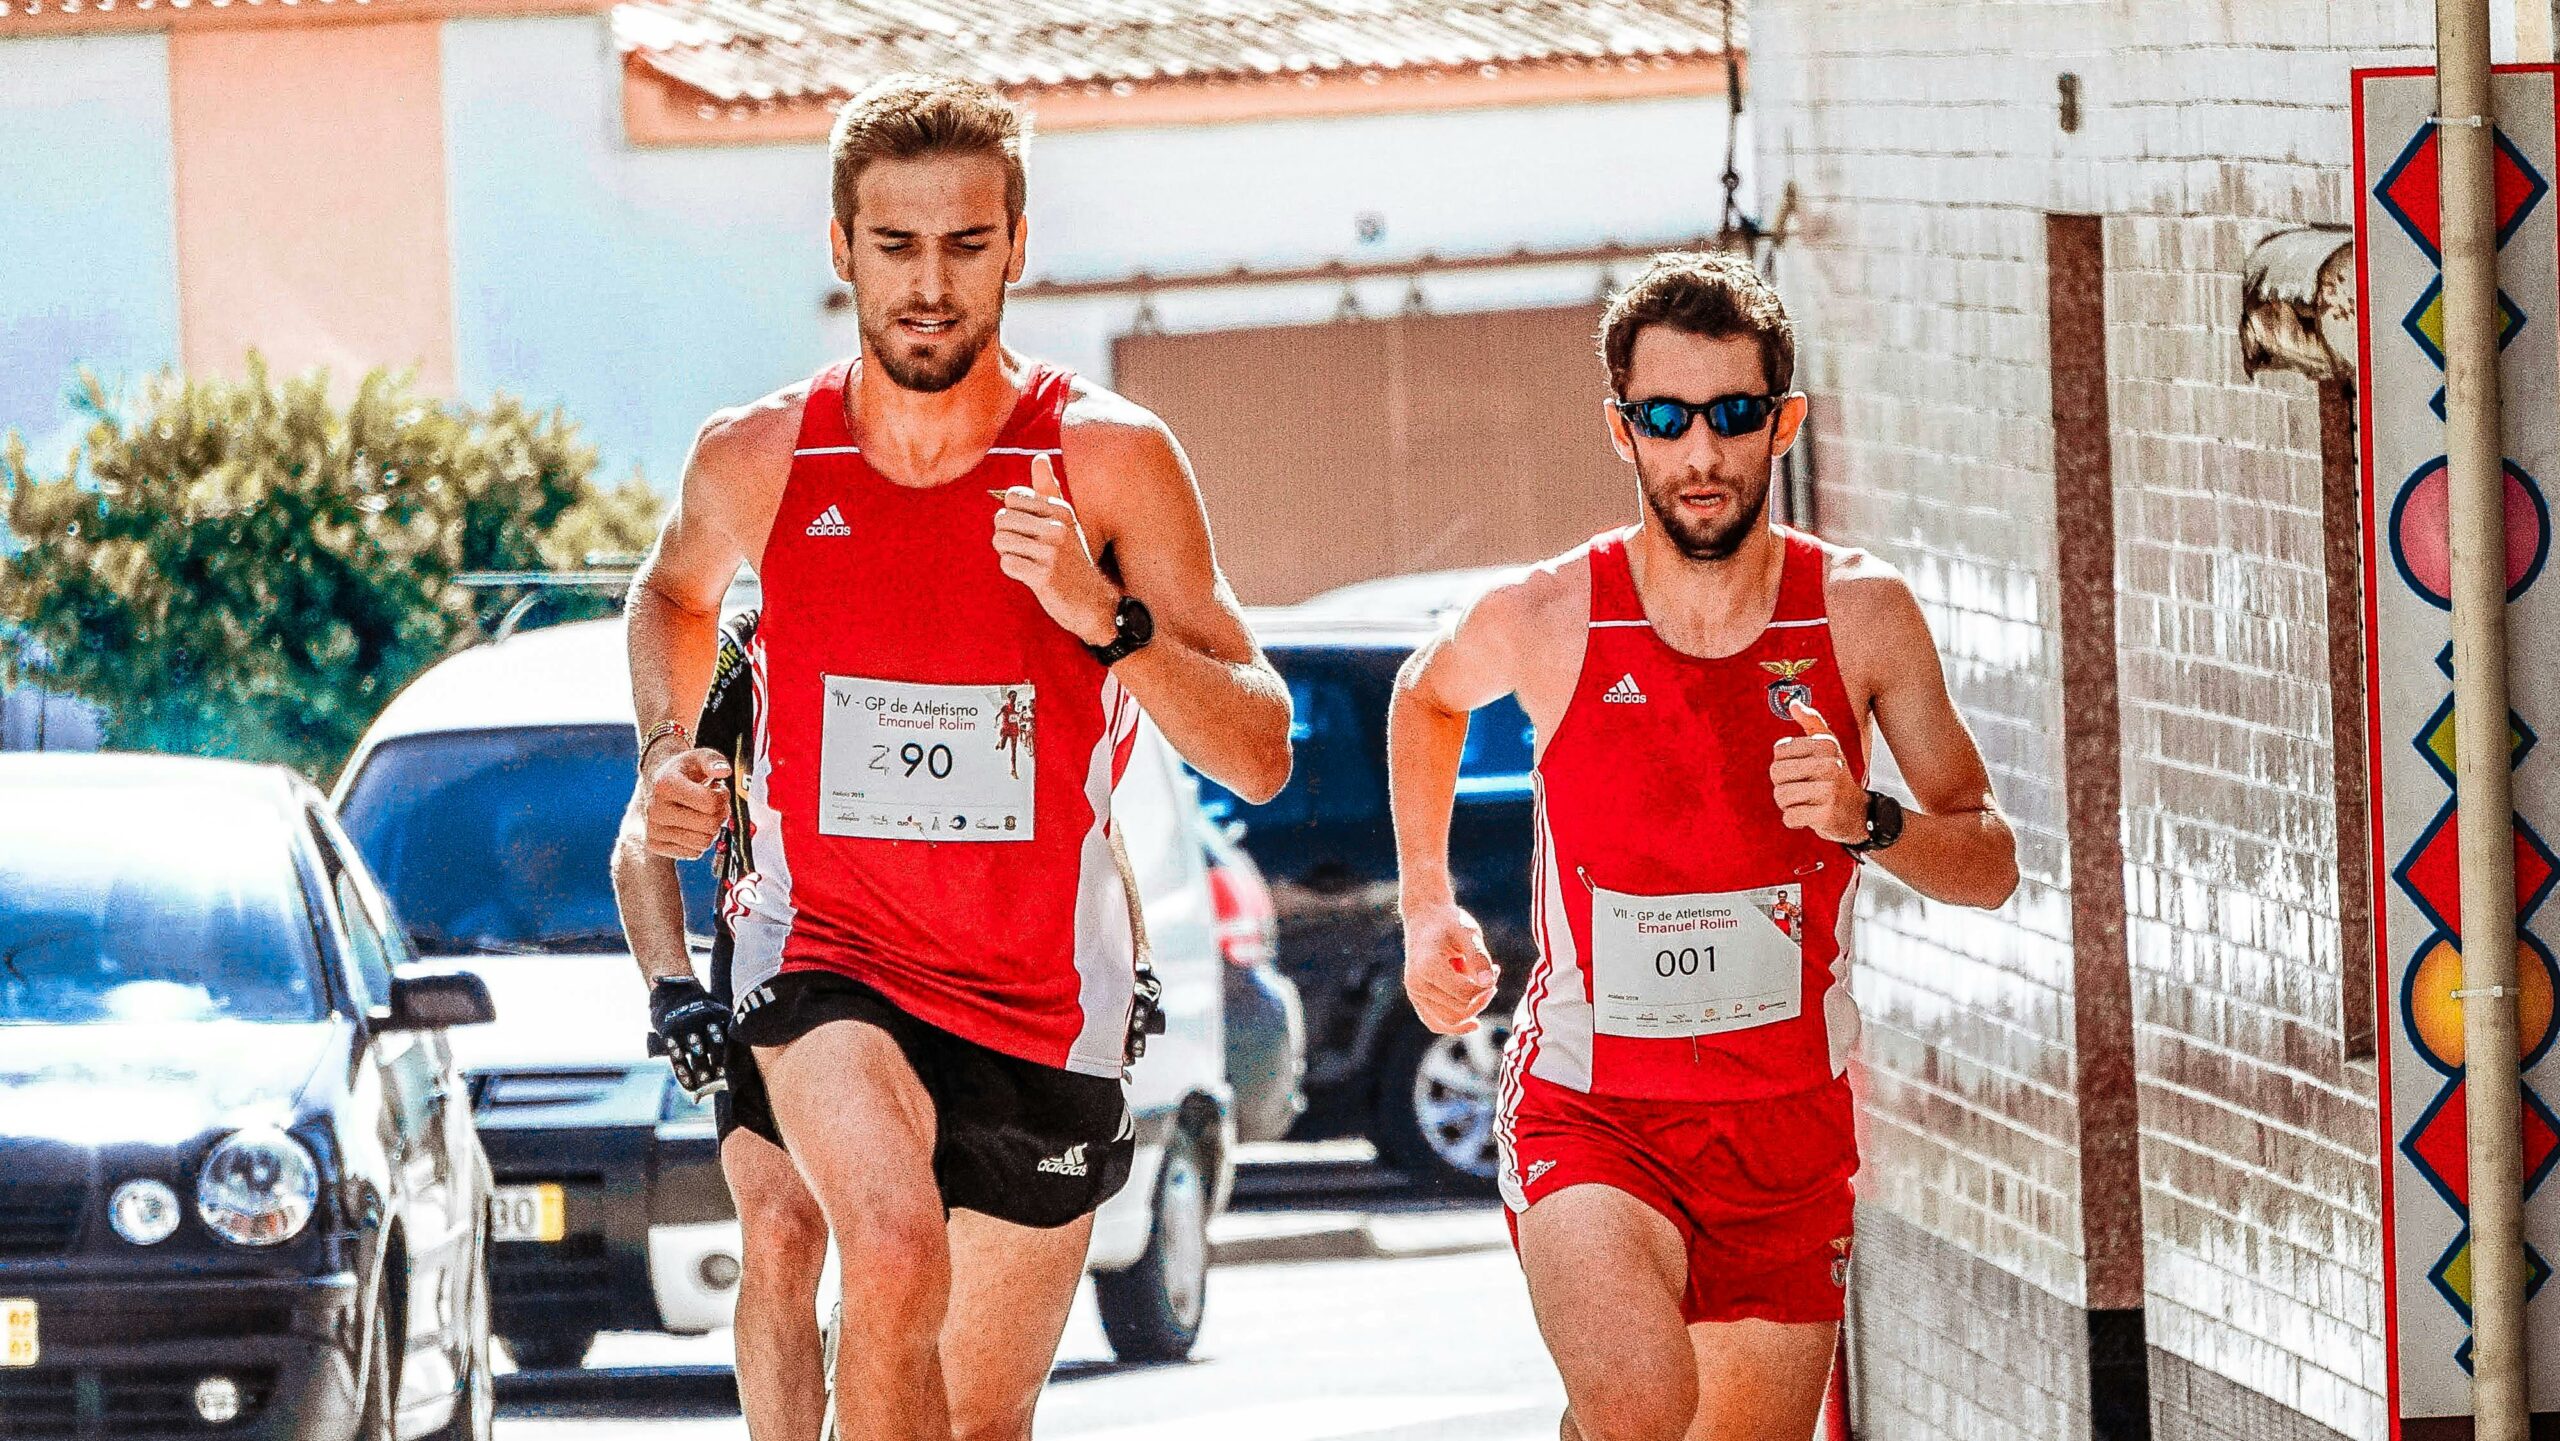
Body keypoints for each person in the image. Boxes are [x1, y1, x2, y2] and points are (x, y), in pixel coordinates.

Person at [627, 73, 1292, 1441]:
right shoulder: (762, 455)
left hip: (1044, 1006)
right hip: (829, 961)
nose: (930, 285)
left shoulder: (1105, 461)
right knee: (885, 1243)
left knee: (978, 1416)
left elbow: (1263, 747)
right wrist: (667, 752)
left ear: (1018, 244)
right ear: (840, 249)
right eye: (895, 246)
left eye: (965, 245)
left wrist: (1107, 625)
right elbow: (670, 597)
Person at [1390, 251, 2020, 1441]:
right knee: (1636, 1407)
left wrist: (1864, 820)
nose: (1701, 455)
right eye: (1666, 420)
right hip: (1594, 1109)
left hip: (1786, 1130)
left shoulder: (1860, 613)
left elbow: (1988, 859)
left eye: (1732, 417)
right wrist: (1428, 904)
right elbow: (1424, 697)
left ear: (1779, 421)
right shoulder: (1550, 612)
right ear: (1621, 433)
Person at [612, 607, 832, 1441]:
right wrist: (673, 988)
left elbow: (1092, 812)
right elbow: (642, 833)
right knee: (779, 1230)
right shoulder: (747, 655)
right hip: (777, 959)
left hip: (931, 958)